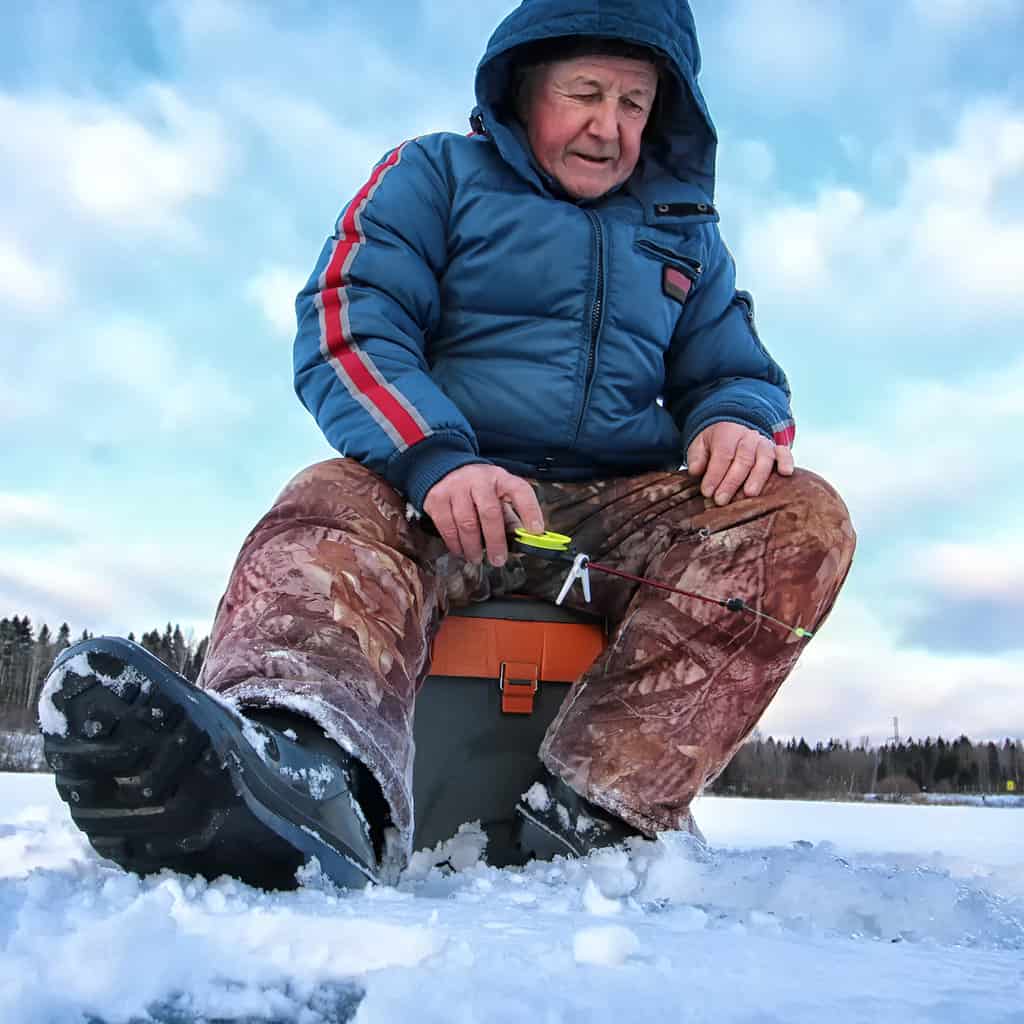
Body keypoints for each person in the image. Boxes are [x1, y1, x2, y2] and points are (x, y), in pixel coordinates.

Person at [40, 0, 855, 890]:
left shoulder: (687, 235)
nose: (607, 125)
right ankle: (305, 766)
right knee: (329, 499)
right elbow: (350, 318)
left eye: (634, 103)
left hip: (616, 521)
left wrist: (736, 419)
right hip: (439, 493)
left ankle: (600, 812)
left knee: (803, 518)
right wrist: (439, 459)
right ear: (524, 88)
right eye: (584, 92)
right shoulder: (433, 173)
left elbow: (738, 371)